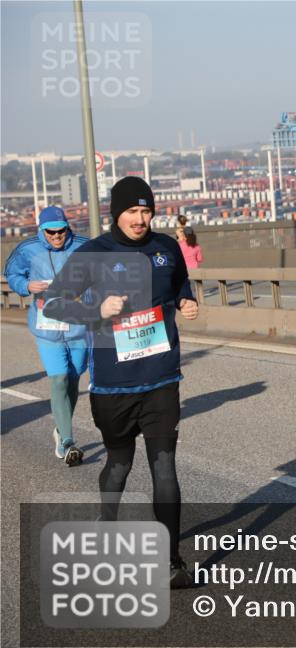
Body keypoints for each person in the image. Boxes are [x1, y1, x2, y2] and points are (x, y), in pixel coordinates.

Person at [43, 177, 200, 588]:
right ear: (117, 212)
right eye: (133, 211)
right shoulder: (93, 253)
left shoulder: (166, 248)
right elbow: (55, 303)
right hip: (113, 385)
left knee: (164, 467)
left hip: (162, 378)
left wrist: (186, 299)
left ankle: (171, 562)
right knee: (119, 465)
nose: (141, 219)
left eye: (147, 211)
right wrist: (95, 309)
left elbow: (180, 280)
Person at [3, 206, 89, 465]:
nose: (56, 236)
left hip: (78, 325)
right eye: (50, 232)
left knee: (73, 379)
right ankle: (67, 441)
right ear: (41, 230)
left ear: (67, 227)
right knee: (59, 379)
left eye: (61, 231)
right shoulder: (27, 249)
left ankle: (61, 427)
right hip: (46, 326)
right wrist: (27, 286)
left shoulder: (85, 246)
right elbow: (13, 274)